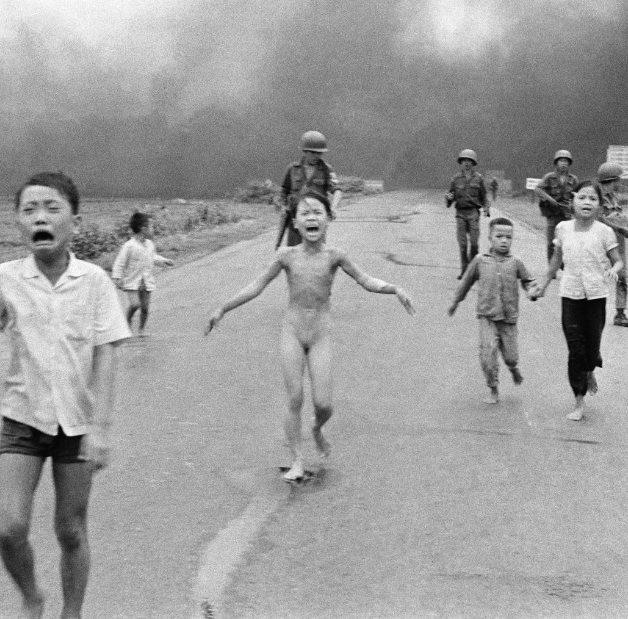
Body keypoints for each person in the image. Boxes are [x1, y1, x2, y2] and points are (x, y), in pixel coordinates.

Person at [0, 171, 131, 619]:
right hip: (23, 420)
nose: (41, 217)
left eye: (52, 208)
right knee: (9, 528)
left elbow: (108, 355)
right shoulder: (4, 279)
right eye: (29, 209)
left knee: (71, 531)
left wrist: (101, 427)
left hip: (76, 425)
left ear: (75, 219)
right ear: (17, 222)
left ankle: (71, 613)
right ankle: (32, 595)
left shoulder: (94, 281)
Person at [206, 194, 415, 480]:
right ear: (295, 222)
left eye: (318, 212)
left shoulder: (335, 256)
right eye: (305, 213)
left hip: (320, 334)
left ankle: (316, 428)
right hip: (292, 332)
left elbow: (365, 280)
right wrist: (223, 309)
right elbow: (257, 285)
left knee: (324, 404)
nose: (312, 217)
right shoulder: (286, 256)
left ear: (328, 220)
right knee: (294, 398)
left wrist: (395, 289)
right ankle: (296, 460)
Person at [530, 181, 623, 421]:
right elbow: (555, 262)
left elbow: (618, 260)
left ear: (600, 206)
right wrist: (543, 284)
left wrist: (615, 269)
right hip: (570, 294)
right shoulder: (563, 228)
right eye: (582, 197)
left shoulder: (604, 232)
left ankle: (590, 368)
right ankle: (579, 400)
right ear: (573, 201)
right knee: (575, 349)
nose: (586, 202)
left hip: (596, 296)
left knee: (591, 350)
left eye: (593, 199)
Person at [448, 217, 535, 404]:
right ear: (489, 237)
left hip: (509, 318)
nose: (504, 240)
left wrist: (532, 291)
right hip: (487, 316)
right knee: (488, 355)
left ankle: (513, 368)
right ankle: (493, 387)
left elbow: (528, 281)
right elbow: (465, 283)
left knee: (511, 356)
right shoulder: (480, 261)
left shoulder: (516, 262)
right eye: (499, 236)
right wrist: (455, 301)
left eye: (508, 237)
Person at [273, 130, 343, 248]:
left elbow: (337, 190)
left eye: (319, 153)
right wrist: (283, 207)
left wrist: (333, 208)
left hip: (316, 219)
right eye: (313, 152)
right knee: (294, 253)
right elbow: (284, 191)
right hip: (296, 219)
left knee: (317, 252)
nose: (317, 156)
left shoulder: (326, 169)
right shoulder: (292, 169)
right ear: (304, 151)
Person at [111, 211, 175, 336]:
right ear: (143, 229)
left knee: (145, 308)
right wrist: (117, 277)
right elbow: (120, 262)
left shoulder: (150, 245)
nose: (153, 230)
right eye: (151, 227)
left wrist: (164, 260)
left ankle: (141, 329)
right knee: (135, 304)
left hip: (146, 281)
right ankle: (126, 323)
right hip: (132, 281)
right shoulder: (129, 246)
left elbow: (152, 257)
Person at [596, 162, 628, 327]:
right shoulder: (597, 196)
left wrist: (625, 227)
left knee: (622, 277)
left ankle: (620, 313)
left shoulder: (614, 197)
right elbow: (599, 219)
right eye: (617, 180)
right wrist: (619, 228)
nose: (619, 183)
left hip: (617, 242)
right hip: (601, 242)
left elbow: (616, 217)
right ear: (611, 179)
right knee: (597, 276)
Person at [445, 149, 490, 277]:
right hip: (460, 213)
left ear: (473, 163)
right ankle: (465, 270)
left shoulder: (479, 178)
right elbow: (450, 197)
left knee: (475, 243)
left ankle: (472, 268)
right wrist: (448, 198)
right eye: (464, 160)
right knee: (463, 244)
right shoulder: (456, 179)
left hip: (473, 213)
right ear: (461, 162)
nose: (466, 163)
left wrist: (486, 208)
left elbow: (484, 196)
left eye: (469, 161)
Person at [532, 150, 578, 263]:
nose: (563, 163)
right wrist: (549, 199)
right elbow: (538, 189)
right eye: (561, 161)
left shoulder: (573, 179)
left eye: (566, 161)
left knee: (565, 241)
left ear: (569, 164)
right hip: (552, 214)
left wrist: (573, 204)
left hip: (566, 214)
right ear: (556, 163)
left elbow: (578, 195)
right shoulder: (549, 177)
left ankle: (562, 263)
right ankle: (551, 267)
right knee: (551, 242)